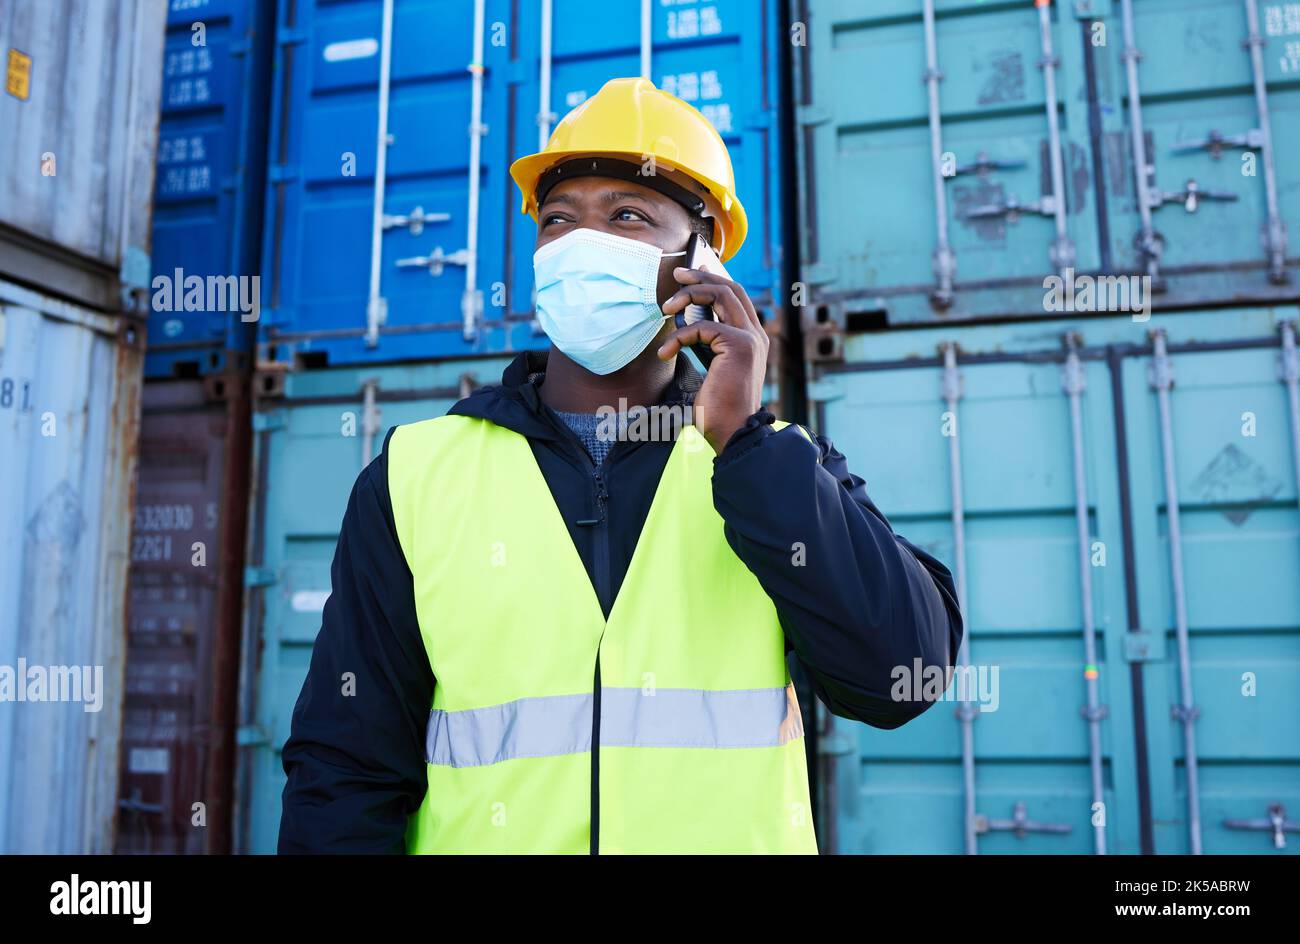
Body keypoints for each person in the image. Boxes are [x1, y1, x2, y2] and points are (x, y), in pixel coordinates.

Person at [279, 77, 962, 854]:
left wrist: (744, 442)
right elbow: (345, 767)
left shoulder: (778, 466)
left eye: (628, 216)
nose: (580, 244)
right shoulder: (416, 475)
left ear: (700, 259)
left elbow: (904, 676)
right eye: (558, 221)